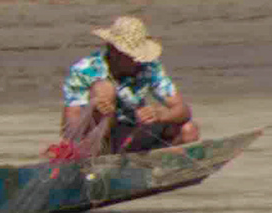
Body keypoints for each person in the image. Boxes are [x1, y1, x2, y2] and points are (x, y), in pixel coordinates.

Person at [58, 14, 197, 158]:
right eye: (131, 56)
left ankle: (158, 165)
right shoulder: (85, 70)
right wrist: (96, 110)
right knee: (105, 89)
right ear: (113, 51)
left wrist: (160, 114)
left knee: (189, 130)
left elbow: (183, 110)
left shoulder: (149, 67)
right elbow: (69, 128)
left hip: (131, 132)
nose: (137, 61)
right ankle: (99, 158)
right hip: (97, 140)